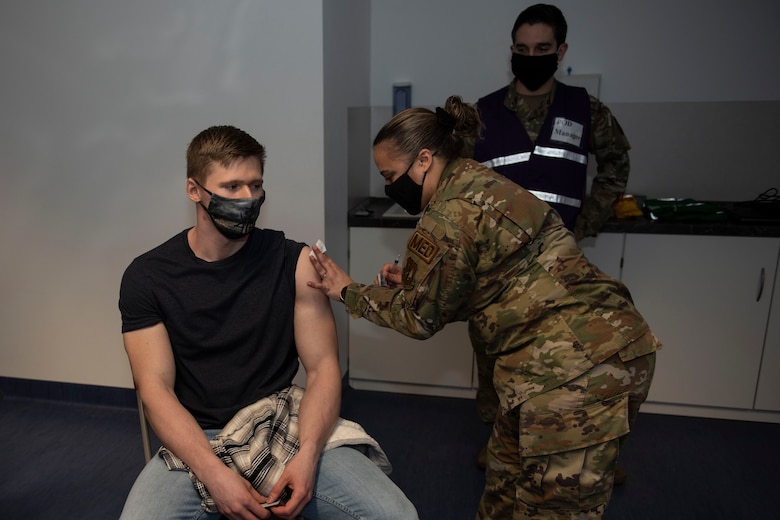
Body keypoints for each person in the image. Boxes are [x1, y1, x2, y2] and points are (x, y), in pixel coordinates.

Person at [308, 97, 660, 519]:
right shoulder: (479, 179)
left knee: (550, 510)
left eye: (390, 175)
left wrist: (346, 289)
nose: (388, 187)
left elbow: (418, 318)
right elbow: (498, 276)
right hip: (585, 350)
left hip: (574, 374)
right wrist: (428, 286)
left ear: (423, 160)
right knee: (504, 488)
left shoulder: (445, 217)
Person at [118, 125, 418, 520]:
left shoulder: (293, 263)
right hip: (198, 436)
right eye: (231, 187)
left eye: (255, 186)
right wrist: (213, 473)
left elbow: (323, 367)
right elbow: (155, 390)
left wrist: (308, 456)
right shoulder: (148, 276)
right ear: (194, 190)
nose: (247, 199)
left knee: (395, 515)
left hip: (284, 420)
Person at [471, 4, 634, 474]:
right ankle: (501, 440)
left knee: (570, 360)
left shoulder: (585, 108)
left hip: (559, 262)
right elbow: (457, 182)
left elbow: (616, 164)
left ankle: (587, 449)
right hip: (497, 264)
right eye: (522, 49)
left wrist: (588, 221)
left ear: (560, 51)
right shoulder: (483, 113)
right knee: (500, 359)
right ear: (512, 52)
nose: (532, 56)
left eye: (542, 49)